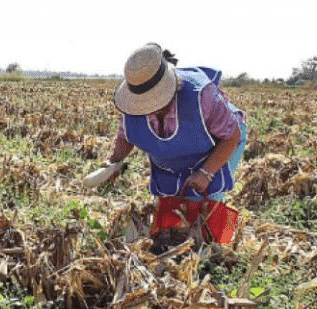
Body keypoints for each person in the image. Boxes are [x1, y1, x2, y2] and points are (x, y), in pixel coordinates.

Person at [86, 42, 247, 244]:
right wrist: (113, 162)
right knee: (170, 198)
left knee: (204, 196)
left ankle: (214, 249)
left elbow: (231, 136)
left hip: (220, 141)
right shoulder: (131, 105)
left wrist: (206, 172)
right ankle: (173, 244)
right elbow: (126, 135)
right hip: (173, 153)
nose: (148, 108)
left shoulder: (200, 95)